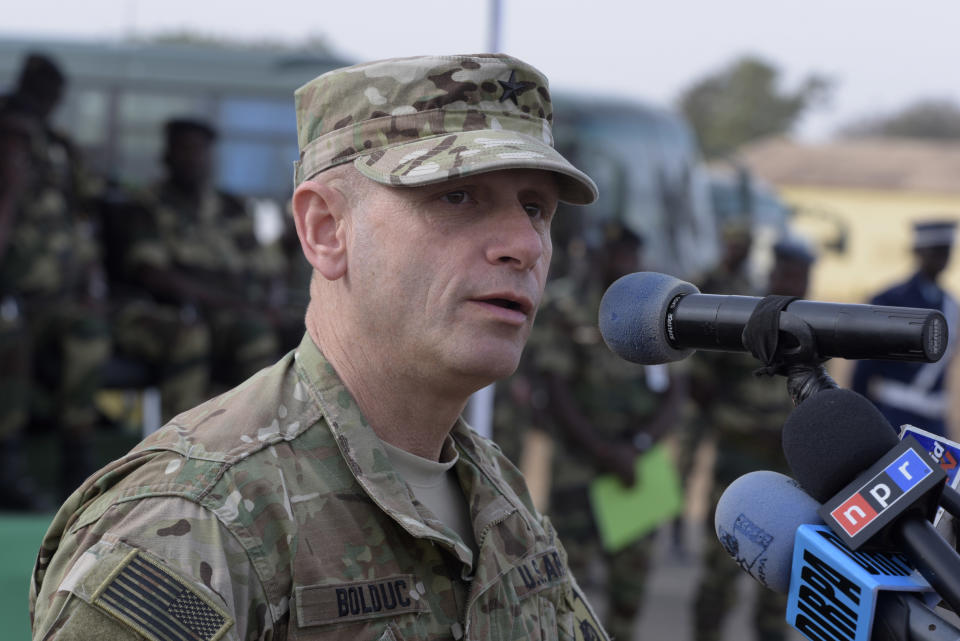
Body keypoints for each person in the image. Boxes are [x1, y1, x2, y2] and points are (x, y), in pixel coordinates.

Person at [30, 53, 611, 641]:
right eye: (457, 196)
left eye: (535, 208)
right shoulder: (196, 522)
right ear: (326, 230)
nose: (524, 244)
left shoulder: (500, 498)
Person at [521, 221, 686, 640]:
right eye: (614, 255)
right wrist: (603, 451)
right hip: (581, 465)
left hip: (637, 469)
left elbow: (674, 393)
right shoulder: (568, 307)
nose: (622, 263)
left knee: (630, 588)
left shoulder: (656, 312)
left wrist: (639, 445)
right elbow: (556, 391)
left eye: (629, 256)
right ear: (598, 257)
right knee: (566, 586)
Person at [108, 118, 286, 419]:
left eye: (200, 150)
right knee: (215, 336)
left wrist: (269, 302)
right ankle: (186, 445)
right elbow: (152, 274)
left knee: (280, 331)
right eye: (184, 150)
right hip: (175, 312)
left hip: (236, 312)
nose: (193, 158)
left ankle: (262, 433)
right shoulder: (148, 206)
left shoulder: (232, 206)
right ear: (166, 157)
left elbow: (269, 266)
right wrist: (232, 302)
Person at [690, 236, 816, 641]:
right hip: (736, 465)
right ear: (774, 273)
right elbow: (701, 380)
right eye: (788, 274)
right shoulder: (745, 320)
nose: (795, 283)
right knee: (719, 574)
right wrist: (735, 420)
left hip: (789, 473)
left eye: (802, 276)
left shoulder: (817, 330)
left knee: (781, 584)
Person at [0, 79, 110, 508]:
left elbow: (81, 228)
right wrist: (9, 190)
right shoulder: (11, 190)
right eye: (12, 141)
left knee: (89, 330)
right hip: (12, 305)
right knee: (11, 334)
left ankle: (78, 466)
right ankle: (8, 469)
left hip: (52, 303)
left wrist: (91, 285)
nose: (22, 150)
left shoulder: (53, 182)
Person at [851, 220, 958, 436]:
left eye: (946, 251)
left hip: (934, 420)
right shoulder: (889, 299)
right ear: (918, 252)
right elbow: (865, 365)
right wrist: (862, 417)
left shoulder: (952, 305)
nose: (942, 257)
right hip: (894, 414)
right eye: (935, 251)